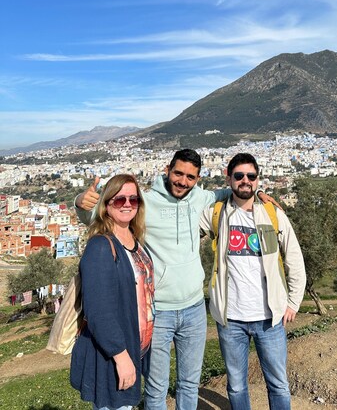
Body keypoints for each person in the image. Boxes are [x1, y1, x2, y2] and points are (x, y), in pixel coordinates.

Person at [76, 149, 277, 410]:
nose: (183, 181)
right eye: (178, 173)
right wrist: (80, 200)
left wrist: (260, 194)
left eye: (190, 177)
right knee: (157, 387)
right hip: (159, 310)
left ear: (198, 178)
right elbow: (97, 214)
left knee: (189, 383)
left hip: (194, 308)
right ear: (167, 169)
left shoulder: (202, 197)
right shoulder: (143, 202)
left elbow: (235, 190)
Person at [199, 153, 306, 410]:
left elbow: (294, 258)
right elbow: (183, 220)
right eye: (239, 176)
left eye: (251, 176)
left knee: (278, 383)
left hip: (269, 318)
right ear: (229, 178)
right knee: (236, 385)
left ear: (258, 180)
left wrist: (293, 302)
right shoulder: (217, 213)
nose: (245, 181)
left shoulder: (273, 214)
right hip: (231, 319)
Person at [71, 174, 154, 410]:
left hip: (135, 346)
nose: (127, 204)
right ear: (106, 206)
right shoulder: (100, 246)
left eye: (133, 199)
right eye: (119, 200)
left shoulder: (135, 240)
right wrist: (121, 356)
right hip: (114, 354)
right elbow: (99, 311)